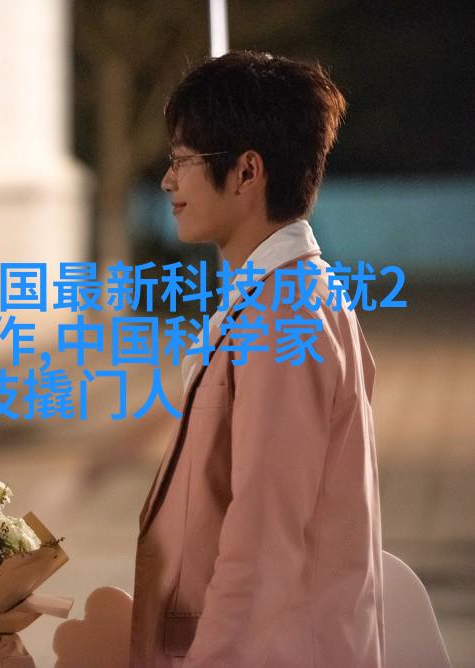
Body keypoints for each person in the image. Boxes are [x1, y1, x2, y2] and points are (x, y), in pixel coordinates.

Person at [131, 52, 384, 666]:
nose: (168, 181)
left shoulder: (285, 313)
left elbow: (264, 538)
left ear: (246, 171)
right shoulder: (276, 297)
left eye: (183, 161)